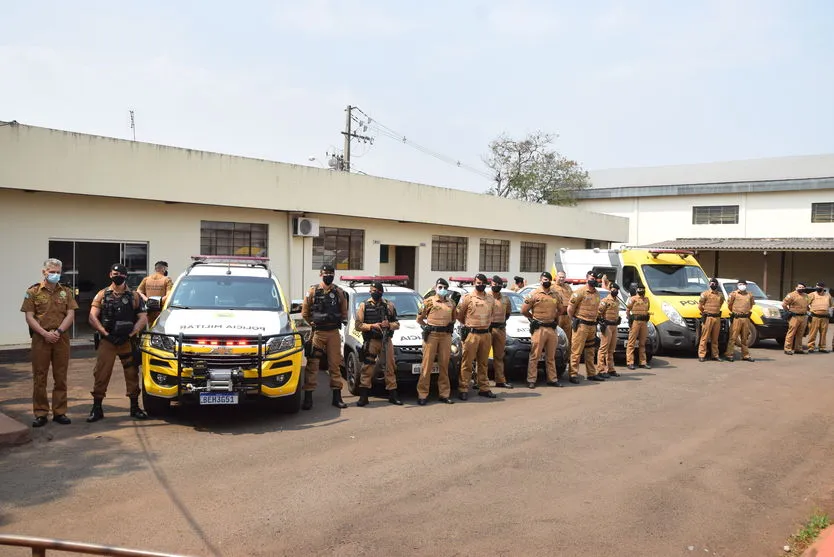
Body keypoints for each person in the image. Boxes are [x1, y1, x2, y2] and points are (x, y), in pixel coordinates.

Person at [86, 263, 149, 422]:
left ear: (125, 276)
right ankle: (97, 408)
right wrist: (106, 334)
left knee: (132, 373)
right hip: (108, 341)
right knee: (101, 373)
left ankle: (135, 407)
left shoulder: (134, 296)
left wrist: (131, 334)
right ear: (110, 275)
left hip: (127, 341)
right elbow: (92, 317)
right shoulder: (102, 294)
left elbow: (143, 318)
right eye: (115, 274)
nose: (118, 276)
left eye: (121, 274)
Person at [20, 258, 78, 427]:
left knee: (60, 376)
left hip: (61, 339)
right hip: (41, 338)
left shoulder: (66, 291)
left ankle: (60, 412)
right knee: (40, 377)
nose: (55, 275)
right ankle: (40, 413)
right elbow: (29, 316)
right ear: (44, 272)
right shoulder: (33, 292)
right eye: (52, 272)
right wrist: (45, 333)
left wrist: (58, 332)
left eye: (58, 272)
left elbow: (70, 315)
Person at [301, 264, 349, 409]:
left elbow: (344, 312)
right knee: (313, 365)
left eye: (331, 273)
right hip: (318, 333)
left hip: (333, 333)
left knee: (335, 365)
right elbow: (305, 312)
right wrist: (313, 324)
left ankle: (337, 398)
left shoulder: (339, 292)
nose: (329, 275)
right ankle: (308, 398)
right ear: (321, 274)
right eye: (326, 273)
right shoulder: (313, 291)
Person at [354, 281, 402, 407]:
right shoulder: (364, 305)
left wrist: (389, 325)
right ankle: (364, 396)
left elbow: (397, 324)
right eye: (371, 291)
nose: (373, 293)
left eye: (375, 291)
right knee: (367, 367)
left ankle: (392, 395)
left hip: (386, 341)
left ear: (381, 292)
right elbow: (358, 326)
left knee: (390, 367)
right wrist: (371, 326)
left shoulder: (389, 305)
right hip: (371, 341)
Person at [416, 278, 456, 405]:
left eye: (444, 287)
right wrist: (426, 327)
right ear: (435, 288)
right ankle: (422, 394)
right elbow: (419, 319)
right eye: (440, 287)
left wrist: (450, 325)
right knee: (427, 365)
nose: (442, 289)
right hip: (432, 335)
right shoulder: (428, 302)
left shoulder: (451, 303)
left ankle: (444, 394)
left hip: (445, 336)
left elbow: (454, 318)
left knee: (444, 365)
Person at [457, 273, 497, 400]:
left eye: (483, 283)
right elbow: (459, 315)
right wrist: (469, 325)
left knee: (484, 363)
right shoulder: (467, 298)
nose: (480, 285)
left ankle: (484, 388)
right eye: (478, 283)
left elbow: (492, 314)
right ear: (474, 283)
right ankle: (464, 388)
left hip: (486, 334)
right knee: (467, 363)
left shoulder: (490, 299)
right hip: (472, 334)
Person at [521, 271, 563, 388]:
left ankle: (552, 379)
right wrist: (533, 319)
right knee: (535, 355)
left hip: (551, 328)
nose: (547, 282)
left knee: (551, 356)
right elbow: (524, 310)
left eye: (548, 280)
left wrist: (554, 317)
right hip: (539, 328)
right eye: (544, 280)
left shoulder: (555, 295)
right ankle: (531, 380)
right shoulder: (533, 294)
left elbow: (560, 310)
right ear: (540, 281)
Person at [568, 274, 603, 382]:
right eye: (592, 279)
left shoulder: (596, 293)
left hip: (592, 325)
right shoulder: (579, 292)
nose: (594, 281)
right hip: (581, 325)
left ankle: (591, 374)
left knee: (591, 351)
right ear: (587, 279)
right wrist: (574, 320)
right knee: (576, 351)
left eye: (595, 279)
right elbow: (570, 308)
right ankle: (573, 374)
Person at [488, 275, 513, 389]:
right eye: (494, 284)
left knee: (499, 356)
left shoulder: (505, 299)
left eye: (499, 285)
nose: (496, 286)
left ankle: (500, 380)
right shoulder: (486, 297)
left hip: (500, 329)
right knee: (482, 357)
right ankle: (480, 382)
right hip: (487, 330)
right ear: (490, 285)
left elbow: (507, 314)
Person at [725, 279, 756, 362]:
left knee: (745, 338)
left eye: (743, 284)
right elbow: (729, 306)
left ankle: (745, 355)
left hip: (746, 318)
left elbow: (751, 305)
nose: (742, 285)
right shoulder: (734, 294)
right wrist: (737, 312)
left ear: (746, 285)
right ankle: (729, 354)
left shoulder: (749, 295)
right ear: (737, 285)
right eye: (740, 284)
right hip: (737, 318)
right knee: (733, 337)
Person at [137, 260, 173, 326]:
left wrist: (147, 300)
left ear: (155, 269)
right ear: (164, 269)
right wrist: (158, 301)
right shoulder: (167, 280)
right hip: (161, 309)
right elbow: (169, 295)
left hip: (149, 309)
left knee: (150, 328)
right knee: (161, 328)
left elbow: (139, 291)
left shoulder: (146, 279)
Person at [697, 277, 725, 362]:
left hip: (716, 318)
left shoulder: (720, 295)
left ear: (717, 285)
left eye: (714, 283)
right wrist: (706, 312)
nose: (713, 285)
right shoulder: (705, 294)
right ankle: (702, 355)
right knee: (704, 337)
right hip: (708, 317)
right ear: (709, 284)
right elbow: (700, 306)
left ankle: (715, 355)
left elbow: (720, 304)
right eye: (711, 283)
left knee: (715, 338)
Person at [597, 283, 621, 378]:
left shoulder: (617, 301)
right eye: (614, 289)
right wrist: (601, 322)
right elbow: (599, 313)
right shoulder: (605, 301)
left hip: (614, 326)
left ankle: (611, 369)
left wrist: (618, 319)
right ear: (610, 289)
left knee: (611, 349)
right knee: (603, 348)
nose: (615, 291)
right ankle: (601, 370)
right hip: (607, 326)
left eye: (617, 290)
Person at [625, 283, 651, 370]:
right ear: (637, 290)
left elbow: (647, 310)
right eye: (639, 289)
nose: (641, 290)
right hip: (635, 321)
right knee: (631, 342)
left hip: (644, 322)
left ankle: (642, 362)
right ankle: (630, 362)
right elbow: (628, 310)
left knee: (643, 343)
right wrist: (629, 320)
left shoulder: (647, 299)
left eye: (642, 289)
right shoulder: (632, 299)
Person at [553, 271, 574, 378]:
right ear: (556, 277)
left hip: (567, 316)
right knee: (557, 339)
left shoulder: (568, 287)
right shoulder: (552, 287)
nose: (561, 279)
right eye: (560, 277)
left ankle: (565, 360)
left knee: (568, 339)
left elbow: (572, 300)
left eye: (563, 277)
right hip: (558, 316)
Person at [783, 282, 810, 355]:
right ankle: (787, 348)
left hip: (803, 317)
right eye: (799, 287)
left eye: (802, 287)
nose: (801, 289)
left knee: (800, 334)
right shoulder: (791, 295)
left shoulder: (806, 296)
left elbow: (807, 305)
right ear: (796, 288)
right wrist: (788, 312)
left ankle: (798, 348)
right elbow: (784, 304)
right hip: (794, 316)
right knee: (791, 333)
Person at [806, 282, 832, 353]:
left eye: (820, 287)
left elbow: (830, 305)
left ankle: (822, 347)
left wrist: (829, 313)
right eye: (817, 286)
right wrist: (809, 312)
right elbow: (805, 304)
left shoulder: (828, 295)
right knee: (813, 333)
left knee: (823, 333)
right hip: (814, 317)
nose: (818, 288)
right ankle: (811, 347)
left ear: (823, 288)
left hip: (825, 318)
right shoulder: (812, 294)